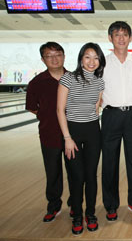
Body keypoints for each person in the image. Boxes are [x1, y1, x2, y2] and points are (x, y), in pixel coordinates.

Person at [101, 21, 132, 221]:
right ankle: (111, 205)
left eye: (124, 34)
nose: (121, 38)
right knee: (109, 163)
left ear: (130, 38)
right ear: (110, 38)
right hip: (111, 115)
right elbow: (97, 89)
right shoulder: (102, 63)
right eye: (117, 34)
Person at [57, 42, 105, 235]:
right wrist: (67, 137)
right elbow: (60, 110)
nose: (91, 61)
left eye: (96, 57)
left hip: (93, 130)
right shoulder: (68, 78)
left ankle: (90, 213)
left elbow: (96, 107)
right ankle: (77, 214)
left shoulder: (100, 82)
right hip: (73, 132)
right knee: (77, 177)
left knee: (91, 175)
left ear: (100, 60)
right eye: (87, 57)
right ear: (81, 58)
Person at [26, 42, 72, 223]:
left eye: (58, 54)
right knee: (53, 173)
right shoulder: (36, 83)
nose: (54, 58)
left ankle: (74, 204)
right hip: (49, 135)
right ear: (43, 59)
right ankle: (54, 206)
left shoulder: (74, 78)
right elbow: (33, 108)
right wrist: (48, 117)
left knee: (75, 173)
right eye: (49, 55)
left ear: (64, 56)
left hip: (73, 135)